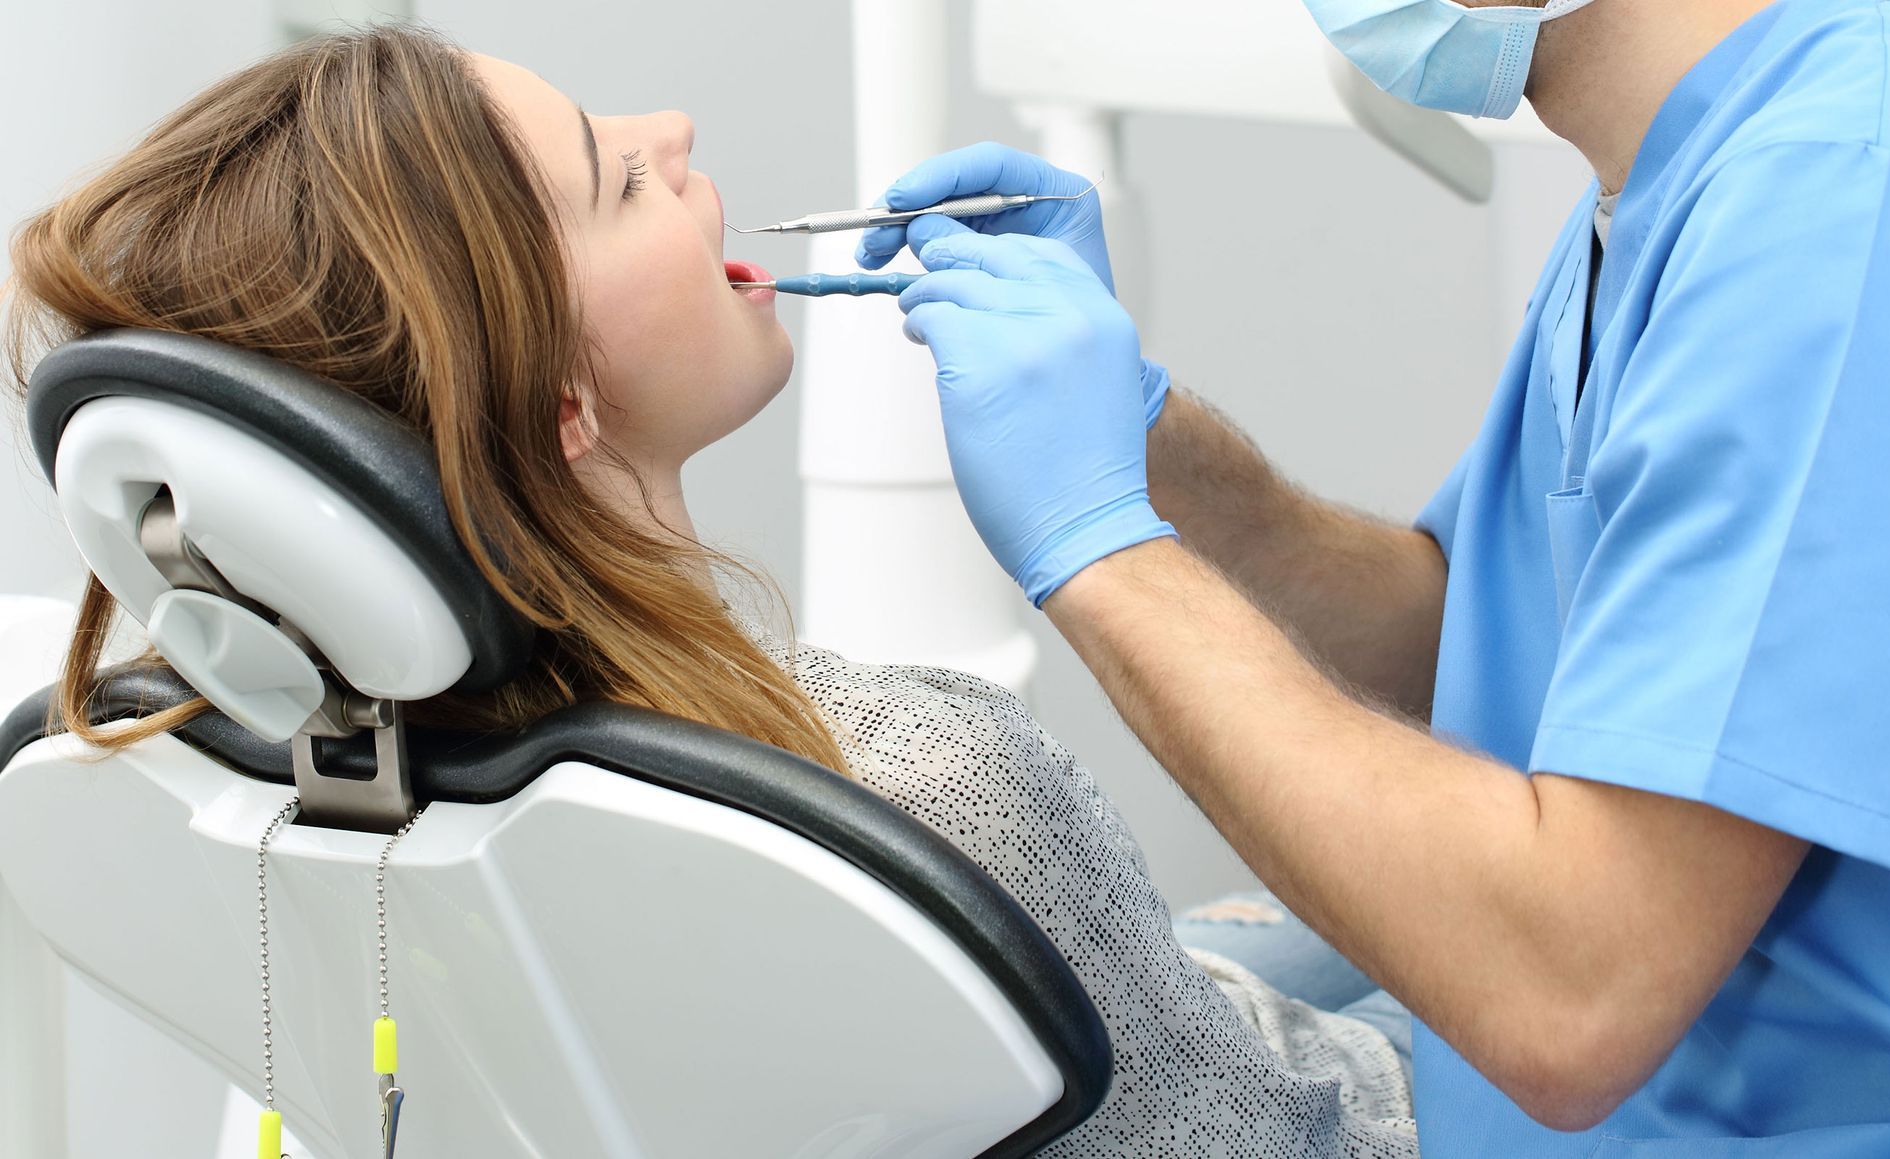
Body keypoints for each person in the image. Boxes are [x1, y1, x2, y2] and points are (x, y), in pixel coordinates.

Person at [2, 26, 1428, 1156]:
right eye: (616, 179)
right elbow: (1302, 1132)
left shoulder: (332, 790)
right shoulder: (929, 787)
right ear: (560, 402)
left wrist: (1141, 415)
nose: (670, 131)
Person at [857, 0, 1890, 1153]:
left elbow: (1574, 989)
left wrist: (1106, 556)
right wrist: (1135, 432)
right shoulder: (1663, 182)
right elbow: (1471, 639)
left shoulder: (1832, 207)